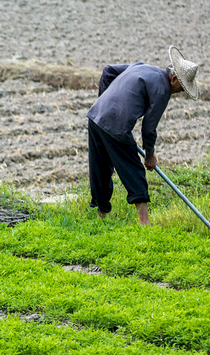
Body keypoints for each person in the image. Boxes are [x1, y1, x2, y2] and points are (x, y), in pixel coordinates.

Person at [85, 46, 200, 225]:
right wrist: (150, 154)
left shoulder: (142, 67)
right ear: (175, 78)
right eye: (183, 87)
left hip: (95, 117)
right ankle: (144, 223)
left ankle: (101, 216)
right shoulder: (163, 90)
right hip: (116, 124)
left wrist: (103, 102)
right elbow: (149, 127)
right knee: (133, 169)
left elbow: (108, 71)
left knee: (100, 166)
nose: (182, 92)